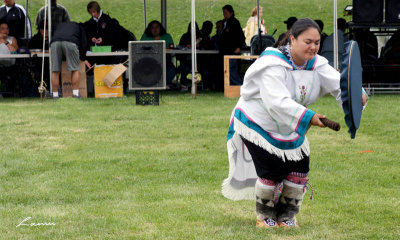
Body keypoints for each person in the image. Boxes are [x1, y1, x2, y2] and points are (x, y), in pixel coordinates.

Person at [222, 18, 368, 228]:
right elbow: (276, 102)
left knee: (299, 168)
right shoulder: (272, 64)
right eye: (307, 41)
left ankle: (287, 215)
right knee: (271, 168)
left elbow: (341, 85)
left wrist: (357, 95)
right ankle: (265, 216)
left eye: (317, 42)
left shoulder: (317, 64)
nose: (313, 47)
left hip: (290, 123)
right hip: (258, 121)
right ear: (292, 39)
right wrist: (309, 117)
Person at [50, 21, 89, 98]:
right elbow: (83, 44)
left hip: (55, 43)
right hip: (71, 42)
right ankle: (75, 94)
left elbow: (53, 36)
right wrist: (83, 58)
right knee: (74, 69)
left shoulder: (59, 25)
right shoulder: (80, 27)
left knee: (55, 70)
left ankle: (55, 95)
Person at [140, 20, 176, 88]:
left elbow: (171, 48)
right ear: (149, 29)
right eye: (152, 28)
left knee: (171, 69)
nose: (155, 29)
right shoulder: (145, 36)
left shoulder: (167, 36)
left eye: (157, 27)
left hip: (165, 61)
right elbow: (141, 47)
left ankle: (165, 84)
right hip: (149, 61)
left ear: (160, 28)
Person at [220, 5, 245, 85]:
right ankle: (231, 87)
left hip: (233, 50)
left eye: (226, 13)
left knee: (232, 69)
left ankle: (239, 85)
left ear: (231, 13)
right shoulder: (224, 23)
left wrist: (239, 47)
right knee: (228, 70)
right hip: (225, 50)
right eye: (223, 13)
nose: (224, 15)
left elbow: (241, 37)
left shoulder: (235, 23)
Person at [177, 22, 202, 91]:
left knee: (205, 68)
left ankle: (206, 85)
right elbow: (180, 47)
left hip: (199, 60)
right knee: (185, 68)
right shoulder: (184, 36)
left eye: (194, 27)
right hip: (186, 60)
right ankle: (183, 85)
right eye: (191, 27)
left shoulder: (201, 37)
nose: (193, 29)